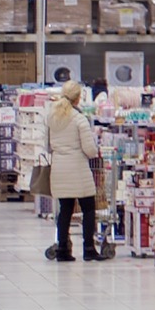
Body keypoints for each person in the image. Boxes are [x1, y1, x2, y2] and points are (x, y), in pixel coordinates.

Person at [43, 82, 103, 262]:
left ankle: (62, 249)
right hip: (78, 169)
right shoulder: (79, 119)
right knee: (88, 208)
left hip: (59, 168)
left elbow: (47, 145)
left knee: (65, 210)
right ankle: (89, 248)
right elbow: (90, 150)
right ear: (78, 97)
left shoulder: (52, 117)